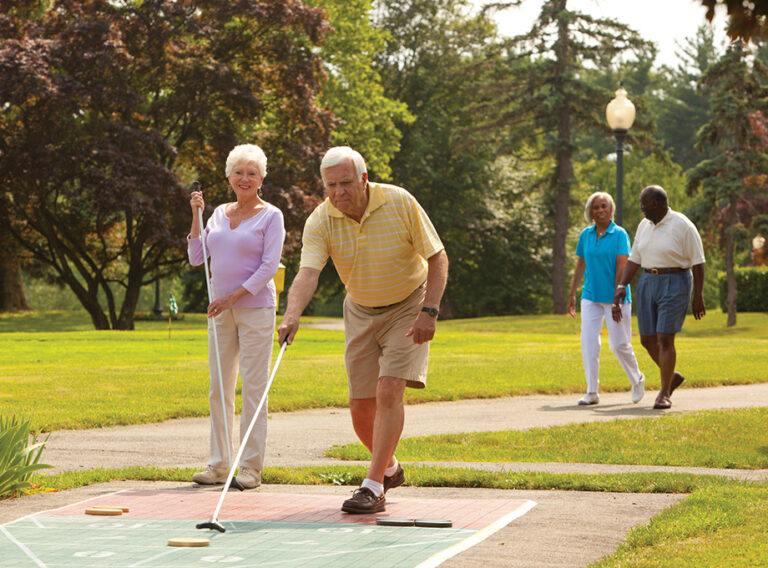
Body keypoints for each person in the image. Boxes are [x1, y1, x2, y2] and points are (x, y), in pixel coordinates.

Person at [277, 146, 448, 514]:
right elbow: (308, 273)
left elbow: (437, 257)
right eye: (331, 185)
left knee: (389, 389)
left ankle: (373, 487)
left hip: (408, 303)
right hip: (359, 308)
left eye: (346, 183)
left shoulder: (399, 202)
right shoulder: (321, 220)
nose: (339, 192)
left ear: (364, 179)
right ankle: (390, 468)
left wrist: (429, 312)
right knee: (360, 410)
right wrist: (292, 314)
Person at [188, 144, 286, 488]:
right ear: (229, 176)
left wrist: (232, 297)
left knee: (254, 388)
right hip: (220, 311)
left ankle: (250, 468)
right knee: (219, 388)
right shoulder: (215, 214)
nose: (245, 179)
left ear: (261, 178)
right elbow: (197, 258)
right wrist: (196, 215)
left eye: (252, 173)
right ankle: (218, 464)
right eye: (239, 172)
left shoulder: (271, 216)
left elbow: (268, 268)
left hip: (255, 309)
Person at [612, 185, 706, 410]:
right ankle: (671, 377)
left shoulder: (683, 225)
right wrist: (622, 284)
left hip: (675, 281)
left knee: (665, 338)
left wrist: (698, 296)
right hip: (648, 281)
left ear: (655, 204)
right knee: (647, 339)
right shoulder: (644, 225)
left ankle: (664, 392)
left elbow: (698, 263)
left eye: (643, 204)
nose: (641, 208)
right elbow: (635, 258)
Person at [568, 192, 645, 406]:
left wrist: (616, 299)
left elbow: (623, 266)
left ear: (610, 209)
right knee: (589, 343)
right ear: (590, 212)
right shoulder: (586, 234)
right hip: (591, 296)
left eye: (604, 206)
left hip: (616, 298)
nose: (600, 210)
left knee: (619, 344)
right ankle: (592, 391)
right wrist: (573, 292)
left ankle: (637, 379)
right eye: (595, 207)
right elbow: (581, 264)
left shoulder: (620, 234)